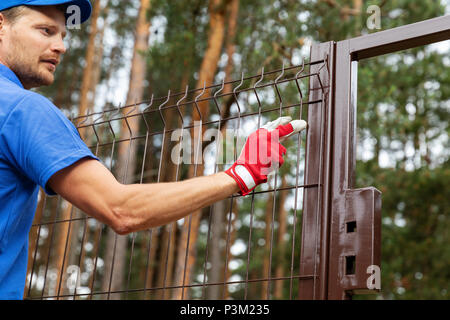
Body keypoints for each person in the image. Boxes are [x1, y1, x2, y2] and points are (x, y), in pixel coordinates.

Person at [0, 0, 307, 300]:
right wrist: (241, 174)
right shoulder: (21, 109)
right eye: (45, 31)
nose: (61, 46)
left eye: (63, 35)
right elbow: (120, 209)